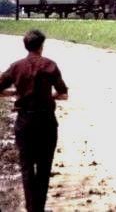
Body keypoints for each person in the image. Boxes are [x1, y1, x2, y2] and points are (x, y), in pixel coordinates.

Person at [0, 29, 69, 212]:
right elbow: (63, 94)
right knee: (44, 169)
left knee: (27, 168)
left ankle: (31, 209)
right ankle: (39, 208)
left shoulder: (15, 67)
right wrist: (50, 96)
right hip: (46, 121)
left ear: (26, 46)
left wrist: (14, 93)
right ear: (41, 46)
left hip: (25, 122)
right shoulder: (50, 65)